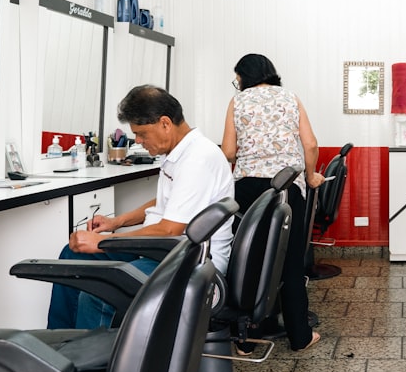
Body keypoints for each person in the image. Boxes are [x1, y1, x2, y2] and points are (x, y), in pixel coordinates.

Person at [47, 85, 234, 329]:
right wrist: (117, 222)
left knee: (97, 293)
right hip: (166, 249)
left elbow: (170, 229)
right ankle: (62, 346)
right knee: (73, 254)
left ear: (165, 123)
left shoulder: (197, 159)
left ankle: (94, 364)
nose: (138, 141)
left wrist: (104, 241)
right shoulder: (179, 152)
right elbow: (165, 203)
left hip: (188, 260)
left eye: (142, 133)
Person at [221, 53, 323, 351]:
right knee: (291, 263)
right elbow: (311, 144)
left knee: (248, 261)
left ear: (243, 77)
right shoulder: (290, 98)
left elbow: (228, 151)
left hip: (249, 191)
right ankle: (300, 336)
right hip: (287, 188)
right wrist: (312, 173)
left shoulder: (237, 102)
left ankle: (245, 339)